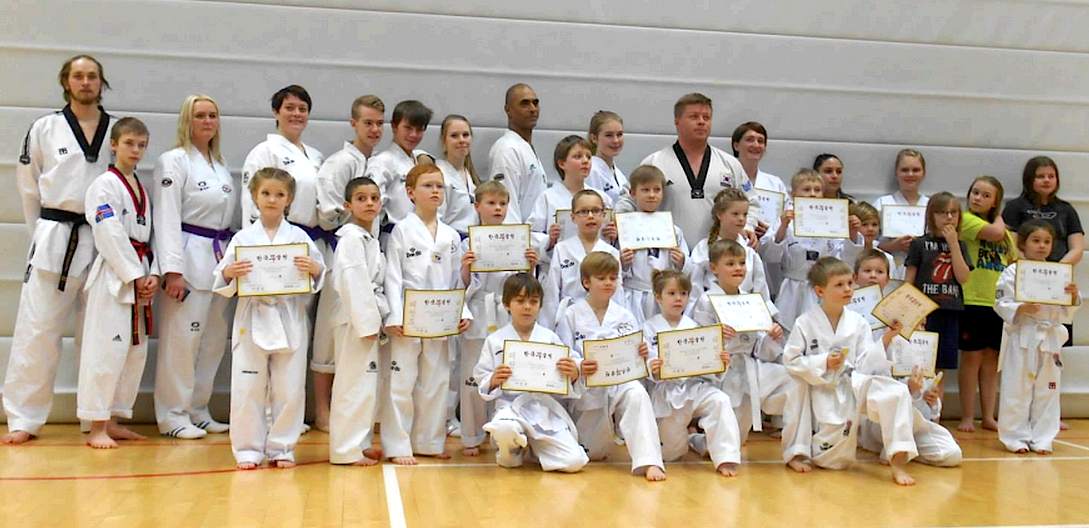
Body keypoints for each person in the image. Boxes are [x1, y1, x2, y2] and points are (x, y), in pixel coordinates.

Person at [5, 55, 115, 445]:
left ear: (101, 83)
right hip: (54, 236)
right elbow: (28, 187)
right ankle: (24, 417)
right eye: (78, 76)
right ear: (66, 82)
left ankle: (97, 418)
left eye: (92, 76)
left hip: (103, 239)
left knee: (101, 334)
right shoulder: (45, 128)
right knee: (37, 330)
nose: (85, 82)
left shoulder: (118, 130)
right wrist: (40, 235)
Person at [213, 168, 326, 469]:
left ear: (289, 199)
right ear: (254, 196)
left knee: (289, 388)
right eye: (265, 193)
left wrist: (314, 270)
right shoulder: (243, 237)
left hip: (289, 316)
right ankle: (248, 449)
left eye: (279, 194)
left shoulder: (298, 237)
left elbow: (319, 273)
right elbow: (222, 277)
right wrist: (230, 272)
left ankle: (282, 448)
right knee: (247, 387)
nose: (272, 200)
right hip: (252, 317)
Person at [783, 257, 920, 485]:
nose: (848, 289)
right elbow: (791, 361)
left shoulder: (858, 322)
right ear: (820, 291)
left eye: (849, 283)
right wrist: (823, 362)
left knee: (896, 393)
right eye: (839, 285)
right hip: (820, 387)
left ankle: (898, 462)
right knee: (833, 462)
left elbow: (866, 363)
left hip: (854, 383)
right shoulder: (804, 322)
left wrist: (886, 338)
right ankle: (797, 453)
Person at [151, 95, 236, 439]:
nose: (207, 121)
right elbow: (166, 216)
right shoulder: (173, 161)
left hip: (217, 258)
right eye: (200, 115)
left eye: (212, 115)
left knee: (212, 341)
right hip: (187, 258)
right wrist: (172, 270)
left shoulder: (220, 164)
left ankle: (198, 409)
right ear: (187, 120)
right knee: (182, 342)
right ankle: (173, 414)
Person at [381, 163, 472, 465]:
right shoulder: (401, 231)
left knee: (436, 381)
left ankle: (429, 441)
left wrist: (462, 310)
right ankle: (398, 445)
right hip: (409, 316)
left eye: (439, 186)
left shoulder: (451, 236)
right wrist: (394, 316)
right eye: (428, 186)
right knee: (402, 382)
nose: (435, 191)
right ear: (410, 193)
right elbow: (393, 277)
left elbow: (457, 280)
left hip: (441, 317)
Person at [78, 117, 158, 449]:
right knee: (105, 350)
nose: (136, 150)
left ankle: (112, 421)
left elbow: (150, 235)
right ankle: (96, 425)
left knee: (133, 351)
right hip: (114, 275)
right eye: (129, 143)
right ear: (113, 145)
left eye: (141, 145)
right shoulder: (104, 185)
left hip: (139, 269)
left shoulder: (140, 187)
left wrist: (152, 272)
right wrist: (134, 274)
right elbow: (107, 232)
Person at [555, 252, 667, 481]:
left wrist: (645, 356)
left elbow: (640, 352)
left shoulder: (625, 316)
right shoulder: (571, 315)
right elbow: (564, 353)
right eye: (602, 278)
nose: (608, 283)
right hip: (588, 390)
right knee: (594, 454)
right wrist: (578, 365)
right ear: (586, 282)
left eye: (613, 278)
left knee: (637, 393)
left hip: (620, 383)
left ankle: (650, 461)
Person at [311, 94, 385, 432]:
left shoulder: (378, 163)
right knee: (329, 332)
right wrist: (355, 220)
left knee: (357, 335)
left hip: (369, 246)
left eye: (379, 124)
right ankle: (323, 410)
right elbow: (327, 212)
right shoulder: (340, 162)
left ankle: (357, 416)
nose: (374, 129)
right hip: (340, 246)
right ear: (353, 123)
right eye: (368, 123)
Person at [852, 250, 963, 467]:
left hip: (913, 414)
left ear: (888, 278)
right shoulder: (853, 318)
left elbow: (923, 380)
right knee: (893, 404)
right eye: (867, 271)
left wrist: (930, 399)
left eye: (879, 272)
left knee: (951, 454)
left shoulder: (906, 324)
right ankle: (895, 446)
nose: (873, 275)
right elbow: (863, 371)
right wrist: (886, 339)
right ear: (855, 277)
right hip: (877, 412)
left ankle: (904, 447)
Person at [458, 181, 546, 456]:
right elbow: (461, 284)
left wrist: (531, 265)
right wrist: (466, 267)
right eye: (491, 203)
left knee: (508, 373)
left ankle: (505, 428)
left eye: (503, 204)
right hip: (479, 309)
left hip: (509, 311)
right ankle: (472, 436)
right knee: (473, 376)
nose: (498, 209)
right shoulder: (468, 242)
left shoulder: (519, 240)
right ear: (477, 206)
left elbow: (525, 283)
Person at [475, 273, 588, 472]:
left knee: (574, 462)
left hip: (543, 410)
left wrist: (573, 373)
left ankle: (536, 450)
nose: (527, 307)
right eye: (520, 301)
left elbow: (570, 371)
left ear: (540, 306)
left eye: (533, 301)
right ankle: (511, 452)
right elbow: (482, 377)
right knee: (504, 428)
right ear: (506, 304)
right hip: (511, 407)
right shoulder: (495, 340)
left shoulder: (550, 338)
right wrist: (493, 379)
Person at [690, 240, 796, 449]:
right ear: (714, 268)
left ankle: (792, 438)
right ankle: (696, 439)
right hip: (721, 372)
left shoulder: (752, 300)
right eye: (730, 264)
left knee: (793, 378)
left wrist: (771, 337)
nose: (738, 268)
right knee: (727, 445)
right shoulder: (706, 300)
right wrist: (717, 336)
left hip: (750, 368)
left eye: (741, 263)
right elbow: (698, 346)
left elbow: (760, 351)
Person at [624, 93, 759, 246]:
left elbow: (751, 201)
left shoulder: (729, 164)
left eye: (706, 117)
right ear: (677, 121)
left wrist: (748, 226)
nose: (701, 122)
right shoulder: (655, 162)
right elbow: (629, 198)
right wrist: (619, 225)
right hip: (670, 252)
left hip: (719, 253)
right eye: (694, 117)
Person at [995, 220, 1081, 454]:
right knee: (1017, 388)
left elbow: (1066, 311)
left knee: (1048, 388)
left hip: (1049, 337)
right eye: (1036, 240)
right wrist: (1021, 308)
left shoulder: (1058, 273)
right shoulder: (1013, 271)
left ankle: (1043, 438)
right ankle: (1015, 437)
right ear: (1023, 244)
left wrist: (1072, 296)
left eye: (1047, 241)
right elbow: (1001, 302)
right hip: (1023, 335)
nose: (1042, 246)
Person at [645, 269, 741, 477]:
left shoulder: (696, 327)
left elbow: (709, 364)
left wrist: (721, 362)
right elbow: (646, 361)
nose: (678, 299)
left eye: (683, 294)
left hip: (696, 387)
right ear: (658, 297)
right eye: (672, 294)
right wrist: (653, 366)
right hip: (668, 392)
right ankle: (695, 440)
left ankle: (726, 458)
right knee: (672, 454)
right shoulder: (649, 328)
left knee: (720, 400)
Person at [328, 177, 389, 466]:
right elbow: (354, 282)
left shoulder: (369, 238)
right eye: (361, 198)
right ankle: (345, 450)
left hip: (367, 317)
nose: (369, 203)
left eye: (374, 198)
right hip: (354, 320)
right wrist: (367, 324)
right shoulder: (351, 238)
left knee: (366, 386)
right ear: (347, 205)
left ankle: (360, 443)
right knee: (352, 385)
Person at [1002, 156, 1083, 352]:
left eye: (1051, 176)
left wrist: (1055, 273)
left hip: (1057, 281)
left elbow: (1077, 248)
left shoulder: (1067, 210)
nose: (1046, 180)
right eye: (1040, 176)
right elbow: (1010, 245)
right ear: (1029, 179)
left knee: (1055, 350)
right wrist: (1033, 269)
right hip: (1025, 280)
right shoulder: (1015, 207)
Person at [765, 169, 862, 332]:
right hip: (792, 288)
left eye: (817, 190)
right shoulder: (785, 221)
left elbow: (844, 260)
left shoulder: (832, 222)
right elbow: (770, 256)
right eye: (806, 189)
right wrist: (783, 227)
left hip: (822, 288)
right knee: (788, 332)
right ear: (794, 194)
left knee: (820, 331)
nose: (812, 194)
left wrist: (852, 233)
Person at [957, 176, 1016, 432]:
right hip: (973, 300)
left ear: (994, 201)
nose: (977, 198)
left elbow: (1013, 260)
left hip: (998, 303)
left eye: (985, 195)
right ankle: (967, 416)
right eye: (975, 192)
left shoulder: (1006, 235)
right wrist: (999, 216)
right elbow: (996, 232)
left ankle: (988, 416)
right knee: (971, 360)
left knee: (992, 362)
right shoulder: (966, 220)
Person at [905, 192, 972, 375]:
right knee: (921, 364)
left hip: (950, 311)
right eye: (942, 212)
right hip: (925, 312)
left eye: (953, 212)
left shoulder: (961, 245)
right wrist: (912, 312)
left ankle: (937, 395)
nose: (949, 217)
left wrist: (953, 244)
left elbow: (963, 277)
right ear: (931, 216)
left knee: (941, 367)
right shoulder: (919, 244)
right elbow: (909, 281)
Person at [540, 190, 625, 330]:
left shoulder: (611, 252)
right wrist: (549, 329)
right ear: (573, 217)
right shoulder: (562, 249)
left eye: (596, 211)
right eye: (583, 212)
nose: (590, 216)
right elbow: (552, 293)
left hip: (603, 320)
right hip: (569, 319)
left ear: (604, 215)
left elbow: (617, 295)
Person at [619, 165, 692, 326]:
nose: (652, 195)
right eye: (645, 190)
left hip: (664, 298)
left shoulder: (673, 230)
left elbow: (687, 270)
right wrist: (622, 264)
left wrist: (682, 261)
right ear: (633, 193)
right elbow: (614, 269)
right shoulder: (623, 228)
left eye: (657, 190)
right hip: (634, 296)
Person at [688, 188, 771, 308]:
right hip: (712, 308)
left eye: (745, 214)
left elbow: (761, 290)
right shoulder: (703, 248)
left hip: (746, 309)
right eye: (735, 214)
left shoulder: (749, 251)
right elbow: (695, 289)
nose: (741, 219)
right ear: (720, 215)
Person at [528, 135, 614, 249]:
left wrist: (613, 235)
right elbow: (530, 235)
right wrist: (549, 239)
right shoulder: (547, 198)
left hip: (596, 258)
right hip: (560, 258)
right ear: (562, 164)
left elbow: (611, 241)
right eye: (578, 156)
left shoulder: (603, 198)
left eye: (588, 157)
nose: (585, 161)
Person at [365, 100, 435, 237]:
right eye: (408, 128)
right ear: (394, 126)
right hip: (393, 236)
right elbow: (372, 208)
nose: (413, 135)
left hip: (419, 234)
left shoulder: (417, 161)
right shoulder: (382, 162)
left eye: (419, 130)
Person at [488, 83, 547, 222]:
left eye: (535, 103)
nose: (533, 109)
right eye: (524, 104)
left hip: (535, 233)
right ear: (508, 110)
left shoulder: (525, 147)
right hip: (519, 233)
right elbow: (506, 207)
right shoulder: (507, 150)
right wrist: (516, 236)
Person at [875, 149, 929, 279]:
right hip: (887, 271)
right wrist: (891, 246)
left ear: (924, 173)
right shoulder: (882, 204)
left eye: (916, 170)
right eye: (905, 170)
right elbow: (865, 242)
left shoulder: (931, 206)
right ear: (896, 173)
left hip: (923, 272)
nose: (910, 174)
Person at [436, 115, 480, 236]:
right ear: (444, 141)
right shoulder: (439, 174)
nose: (461, 140)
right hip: (450, 240)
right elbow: (435, 220)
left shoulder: (469, 175)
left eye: (465, 135)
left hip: (472, 239)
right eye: (454, 136)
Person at [586, 110, 628, 203]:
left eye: (619, 134)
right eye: (609, 135)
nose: (616, 140)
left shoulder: (619, 174)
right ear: (594, 138)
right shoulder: (591, 171)